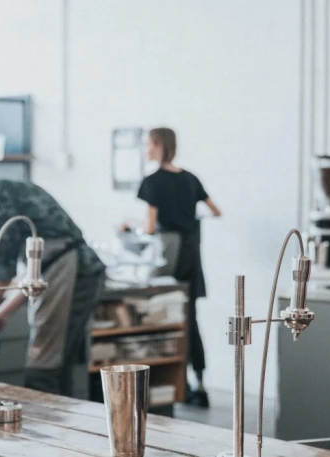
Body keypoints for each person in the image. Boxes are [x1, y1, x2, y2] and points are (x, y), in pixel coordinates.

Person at [0, 162, 106, 398]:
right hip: (72, 269)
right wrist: (2, 312)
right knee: (54, 364)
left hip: (73, 269)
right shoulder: (2, 191)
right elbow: (35, 275)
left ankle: (50, 430)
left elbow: (4, 272)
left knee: (43, 367)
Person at [129, 127, 221, 408]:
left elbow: (148, 227)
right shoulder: (190, 178)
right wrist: (191, 220)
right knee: (189, 318)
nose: (146, 148)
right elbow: (215, 211)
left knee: (154, 313)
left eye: (148, 144)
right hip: (191, 254)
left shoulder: (153, 181)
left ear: (157, 145)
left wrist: (129, 229)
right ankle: (199, 384)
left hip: (169, 253)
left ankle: (157, 383)